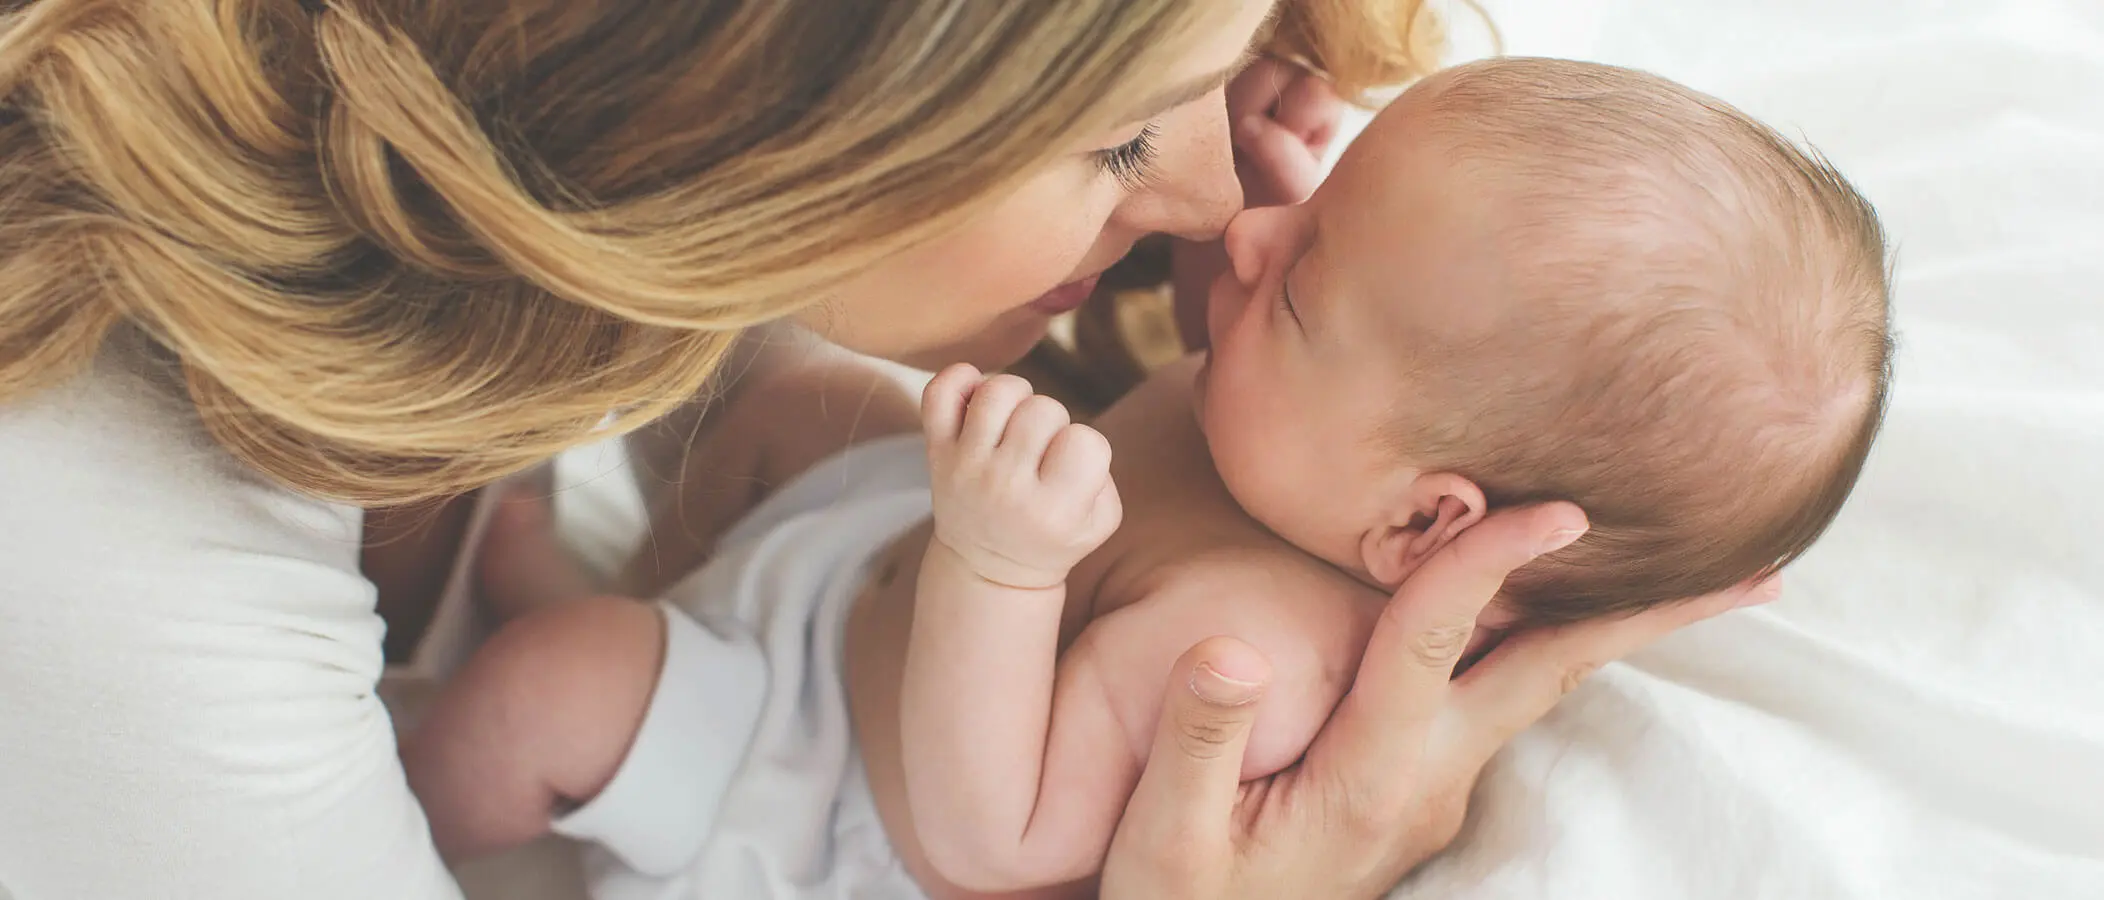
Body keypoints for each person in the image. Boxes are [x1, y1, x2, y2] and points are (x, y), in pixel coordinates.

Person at [0, 2, 1754, 899]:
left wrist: (1198, 248)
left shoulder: (522, 151)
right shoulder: (120, 600)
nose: (1229, 211)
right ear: (763, 129)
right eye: (1121, 146)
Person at [400, 59, 1872, 898]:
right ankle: (632, 590)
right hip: (870, 579)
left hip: (818, 773)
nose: (1247, 234)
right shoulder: (1326, 436)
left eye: (1303, 280)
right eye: (1317, 208)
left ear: (1428, 520)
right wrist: (1248, 225)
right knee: (779, 414)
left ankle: (432, 818)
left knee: (550, 685)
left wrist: (1000, 565)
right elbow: (1183, 345)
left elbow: (993, 831)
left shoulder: (1251, 650)